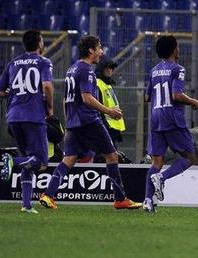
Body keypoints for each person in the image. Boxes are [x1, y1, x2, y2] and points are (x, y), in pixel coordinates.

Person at [39, 35, 141, 210]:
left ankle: (48, 195)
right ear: (91, 50)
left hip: (73, 122)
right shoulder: (87, 71)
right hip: (88, 121)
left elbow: (66, 100)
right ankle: (120, 199)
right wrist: (109, 111)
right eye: (99, 48)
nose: (101, 52)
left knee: (69, 159)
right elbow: (87, 98)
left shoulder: (71, 69)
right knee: (112, 156)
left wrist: (69, 119)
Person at [0, 30, 54, 214]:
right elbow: (47, 86)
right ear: (39, 44)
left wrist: (13, 94)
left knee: (29, 161)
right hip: (34, 116)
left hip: (13, 116)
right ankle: (13, 161)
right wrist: (49, 107)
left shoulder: (13, 63)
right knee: (41, 162)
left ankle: (26, 205)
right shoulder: (43, 62)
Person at [143, 35, 198, 212]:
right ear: (173, 50)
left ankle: (147, 200)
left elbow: (147, 97)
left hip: (155, 117)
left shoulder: (154, 70)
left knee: (157, 161)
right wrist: (193, 102)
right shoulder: (178, 69)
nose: (179, 49)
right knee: (189, 157)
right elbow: (176, 95)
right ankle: (162, 179)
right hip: (172, 117)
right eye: (178, 46)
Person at [95, 56, 126, 149]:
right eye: (107, 68)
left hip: (111, 128)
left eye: (112, 68)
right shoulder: (98, 84)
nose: (110, 70)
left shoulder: (107, 84)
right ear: (102, 69)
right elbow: (97, 108)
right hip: (105, 128)